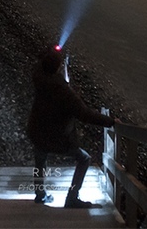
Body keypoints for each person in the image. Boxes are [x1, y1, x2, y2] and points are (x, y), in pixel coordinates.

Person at [25, 44, 117, 208]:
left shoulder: (38, 76)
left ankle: (40, 194)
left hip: (37, 130)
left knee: (40, 160)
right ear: (58, 67)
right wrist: (111, 122)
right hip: (57, 136)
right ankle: (72, 196)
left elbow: (39, 63)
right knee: (84, 159)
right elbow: (85, 114)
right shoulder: (64, 92)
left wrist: (49, 52)